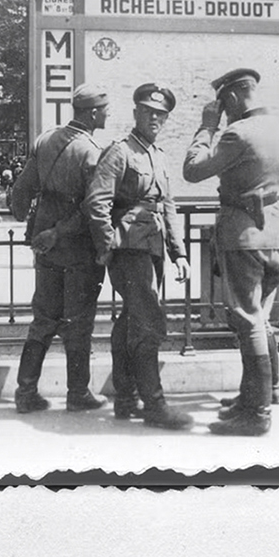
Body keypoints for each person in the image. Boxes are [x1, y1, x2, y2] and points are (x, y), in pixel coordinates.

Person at [182, 68, 279, 437]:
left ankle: (257, 414)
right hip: (275, 231)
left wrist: (207, 126)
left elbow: (193, 170)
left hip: (243, 234)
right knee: (261, 317)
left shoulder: (236, 133)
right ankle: (261, 393)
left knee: (247, 321)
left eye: (223, 104)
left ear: (230, 99)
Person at [85, 83, 192, 430]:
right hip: (129, 248)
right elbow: (97, 202)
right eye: (148, 112)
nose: (155, 118)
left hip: (153, 247)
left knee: (131, 320)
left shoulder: (157, 155)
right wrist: (107, 244)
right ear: (136, 113)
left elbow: (168, 206)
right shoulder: (120, 151)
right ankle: (154, 404)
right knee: (147, 322)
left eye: (161, 114)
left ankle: (126, 398)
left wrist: (179, 252)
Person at [9, 84, 109, 413]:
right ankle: (77, 393)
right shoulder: (92, 151)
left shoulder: (45, 139)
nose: (107, 114)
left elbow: (21, 192)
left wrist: (32, 221)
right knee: (78, 322)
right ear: (93, 113)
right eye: (105, 109)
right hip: (77, 247)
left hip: (45, 246)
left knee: (43, 319)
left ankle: (25, 392)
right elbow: (94, 208)